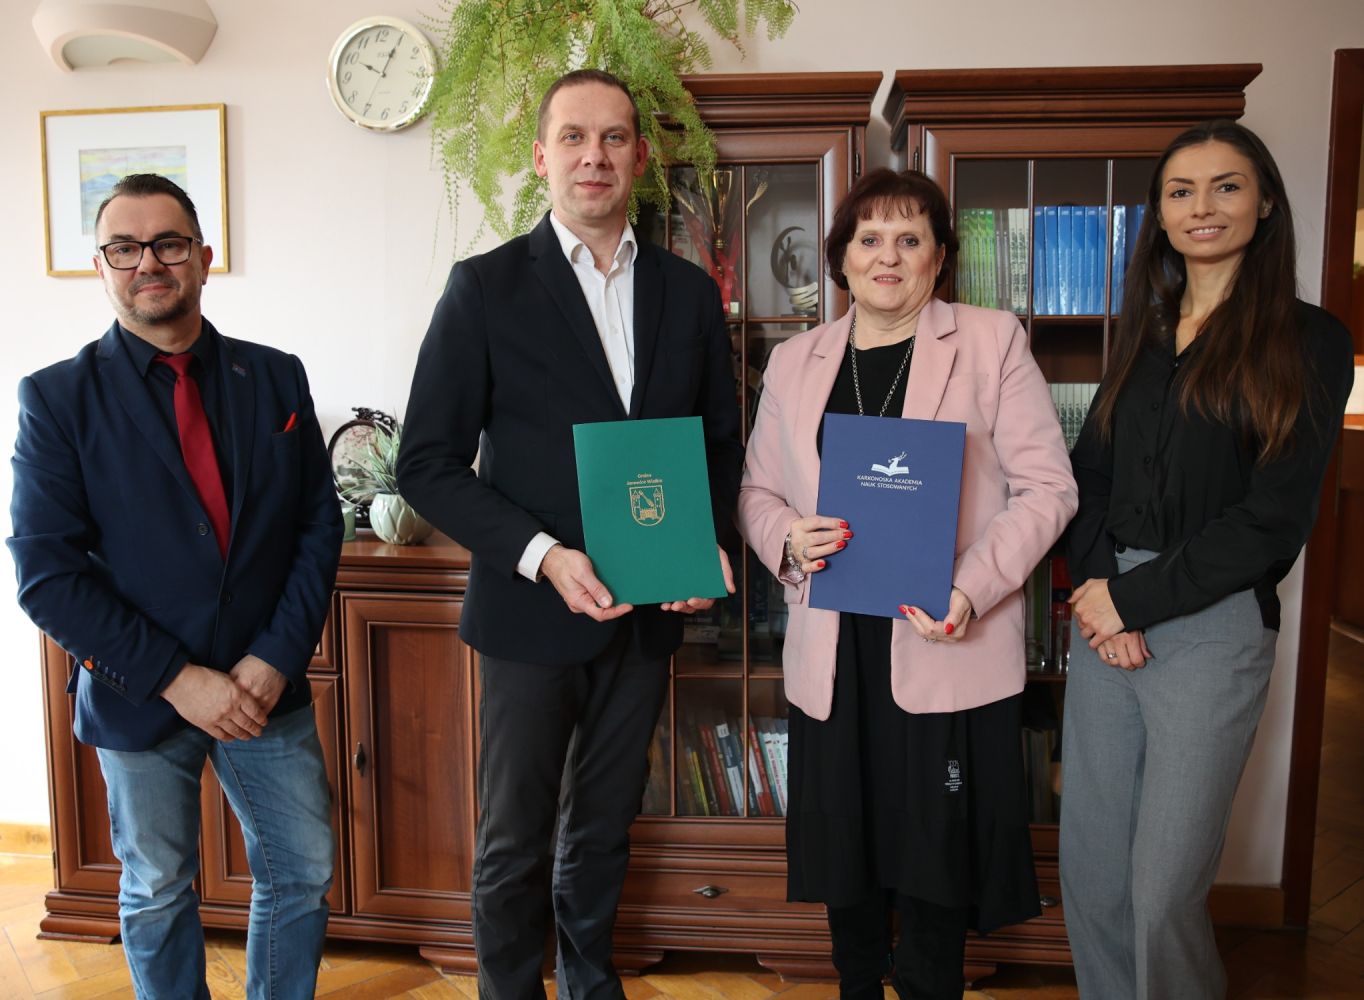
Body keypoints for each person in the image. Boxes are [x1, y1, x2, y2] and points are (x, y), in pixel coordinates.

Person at [395, 69, 743, 999]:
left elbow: (718, 444)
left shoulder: (687, 294)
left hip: (648, 614)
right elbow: (425, 463)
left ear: (641, 157)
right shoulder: (485, 288)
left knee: (603, 828)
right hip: (529, 617)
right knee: (514, 839)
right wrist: (543, 556)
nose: (595, 156)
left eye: (615, 138)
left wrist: (705, 542)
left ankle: (592, 985)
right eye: (575, 138)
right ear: (542, 156)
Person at [737, 167, 1078, 999]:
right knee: (846, 859)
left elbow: (1048, 489)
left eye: (909, 238)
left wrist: (970, 586)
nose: (887, 256)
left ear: (939, 257)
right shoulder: (795, 360)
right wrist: (788, 538)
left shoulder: (991, 341)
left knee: (935, 861)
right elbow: (757, 494)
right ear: (841, 258)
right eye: (869, 238)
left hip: (943, 640)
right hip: (835, 652)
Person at [8, 174, 342, 999]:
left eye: (167, 243)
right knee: (157, 887)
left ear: (203, 257)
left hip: (265, 687)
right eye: (124, 248)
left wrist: (275, 657)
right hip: (141, 691)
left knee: (302, 869)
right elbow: (47, 575)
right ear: (101, 266)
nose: (148, 262)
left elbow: (317, 526)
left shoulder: (277, 377)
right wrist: (177, 678)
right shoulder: (57, 398)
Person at [1061, 120, 1356, 999]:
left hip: (1211, 625)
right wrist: (1100, 591)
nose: (1203, 206)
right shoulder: (1145, 332)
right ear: (1159, 214)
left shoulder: (1310, 339)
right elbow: (1090, 475)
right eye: (1181, 190)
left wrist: (1134, 601)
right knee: (1095, 875)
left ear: (1264, 204)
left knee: (1162, 893)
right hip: (1105, 610)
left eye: (1227, 185)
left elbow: (1273, 518)